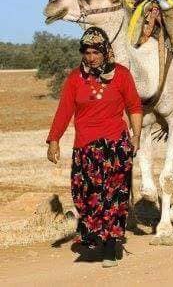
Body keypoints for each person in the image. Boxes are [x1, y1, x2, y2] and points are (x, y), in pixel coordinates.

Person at [46, 27, 142, 268]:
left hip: (116, 146)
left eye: (96, 52)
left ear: (105, 51)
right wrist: (54, 140)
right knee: (86, 197)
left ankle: (111, 247)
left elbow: (134, 107)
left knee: (114, 197)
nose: (91, 57)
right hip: (86, 149)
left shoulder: (121, 75)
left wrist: (136, 136)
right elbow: (64, 111)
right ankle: (96, 238)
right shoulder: (74, 79)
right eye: (87, 52)